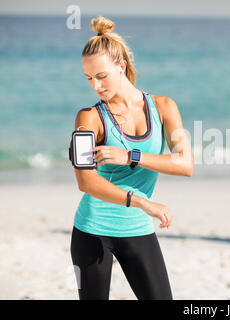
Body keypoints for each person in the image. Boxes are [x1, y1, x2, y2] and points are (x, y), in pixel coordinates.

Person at [71, 16, 193, 300]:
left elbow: (185, 164)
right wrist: (140, 202)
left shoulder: (164, 107)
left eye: (101, 76)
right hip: (92, 232)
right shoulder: (89, 118)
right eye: (89, 78)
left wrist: (130, 156)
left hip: (137, 230)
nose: (96, 86)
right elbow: (85, 182)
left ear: (121, 66)